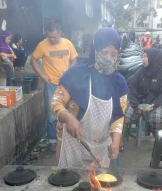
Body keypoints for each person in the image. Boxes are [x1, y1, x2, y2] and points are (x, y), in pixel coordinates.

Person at [49, 27, 129, 168]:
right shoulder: (76, 73)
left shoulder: (119, 82)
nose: (108, 59)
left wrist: (116, 140)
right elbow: (55, 103)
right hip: (72, 142)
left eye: (113, 54)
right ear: (95, 50)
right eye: (104, 53)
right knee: (66, 184)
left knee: (98, 186)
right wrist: (69, 118)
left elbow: (119, 116)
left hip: (102, 147)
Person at [30, 20, 78, 153]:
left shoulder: (68, 43)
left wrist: (70, 72)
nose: (51, 39)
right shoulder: (42, 45)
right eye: (49, 36)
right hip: (51, 84)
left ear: (61, 33)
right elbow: (33, 60)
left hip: (66, 84)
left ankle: (67, 139)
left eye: (55, 37)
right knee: (51, 114)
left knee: (68, 111)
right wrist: (42, 76)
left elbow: (74, 60)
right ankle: (52, 141)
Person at [125, 48, 162, 137]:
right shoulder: (140, 72)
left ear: (153, 59)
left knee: (156, 118)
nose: (143, 59)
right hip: (137, 103)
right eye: (143, 56)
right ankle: (120, 139)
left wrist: (155, 104)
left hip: (153, 104)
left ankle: (159, 142)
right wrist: (135, 106)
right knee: (124, 116)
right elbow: (132, 89)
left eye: (145, 57)